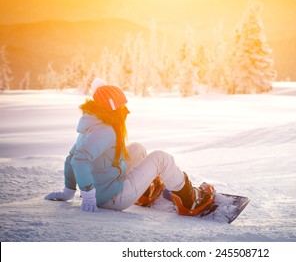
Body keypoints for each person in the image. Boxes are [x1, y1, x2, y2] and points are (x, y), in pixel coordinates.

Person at [44, 79, 215, 216]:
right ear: (112, 108)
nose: (125, 110)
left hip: (105, 189)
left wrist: (68, 191)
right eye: (122, 107)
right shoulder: (105, 130)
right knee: (161, 158)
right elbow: (79, 160)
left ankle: (145, 193)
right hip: (112, 198)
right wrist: (88, 196)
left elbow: (70, 158)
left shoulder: (92, 123)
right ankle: (189, 200)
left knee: (137, 148)